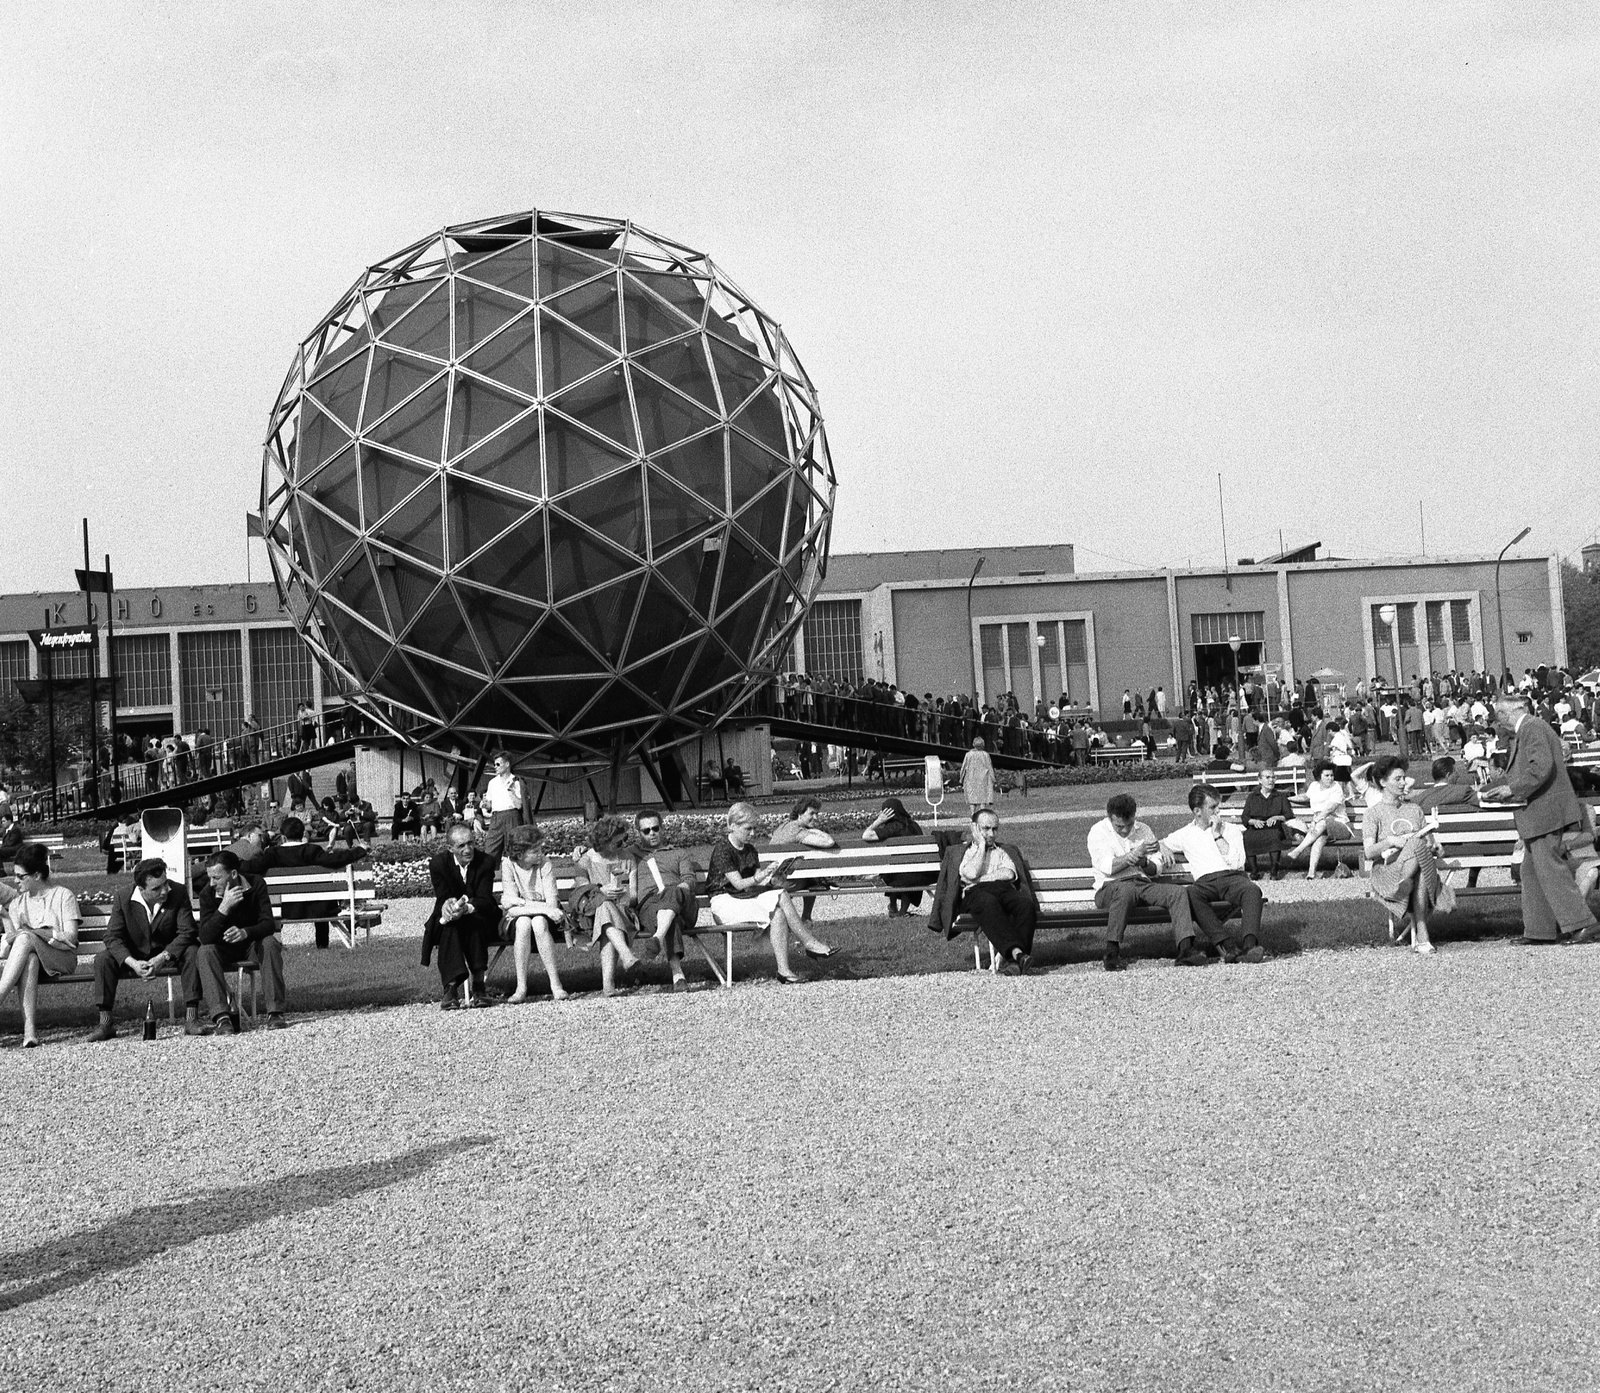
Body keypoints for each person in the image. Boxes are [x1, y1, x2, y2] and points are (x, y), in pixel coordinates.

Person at [1483, 694, 1600, 945]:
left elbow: (1540, 768)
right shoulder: (1527, 730)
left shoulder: (1532, 727)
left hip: (1546, 812)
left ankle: (1583, 924)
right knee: (1532, 871)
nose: (1499, 720)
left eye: (1500, 714)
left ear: (1515, 711)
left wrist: (1511, 790)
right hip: (1539, 813)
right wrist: (1497, 790)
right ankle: (1539, 931)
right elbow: (1532, 770)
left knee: (1550, 871)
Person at [705, 803, 832, 984]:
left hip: (744, 898)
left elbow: (755, 886)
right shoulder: (723, 849)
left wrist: (774, 879)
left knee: (779, 908)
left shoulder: (750, 850)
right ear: (732, 826)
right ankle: (809, 943)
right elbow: (739, 884)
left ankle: (784, 970)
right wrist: (762, 876)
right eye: (748, 829)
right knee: (779, 897)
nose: (753, 834)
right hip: (723, 902)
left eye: (754, 829)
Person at [1087, 793, 1209, 971]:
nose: (1125, 830)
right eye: (1119, 826)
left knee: (1178, 892)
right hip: (1110, 887)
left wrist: (1144, 862)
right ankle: (1111, 952)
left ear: (1134, 816)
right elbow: (1107, 867)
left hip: (1142, 883)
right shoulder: (1098, 832)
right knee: (1125, 890)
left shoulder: (1143, 829)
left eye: (1129, 825)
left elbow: (1156, 869)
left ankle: (1185, 950)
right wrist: (1133, 855)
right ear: (1110, 818)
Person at [88, 857, 201, 1040]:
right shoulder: (123, 897)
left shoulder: (178, 892)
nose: (164, 891)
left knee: (192, 951)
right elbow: (112, 937)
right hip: (135, 954)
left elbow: (187, 932)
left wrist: (163, 958)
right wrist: (132, 962)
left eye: (165, 884)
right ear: (141, 890)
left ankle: (192, 1019)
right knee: (103, 959)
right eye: (156, 889)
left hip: (168, 951)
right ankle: (105, 1023)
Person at [1161, 786, 1267, 963]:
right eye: (1212, 807)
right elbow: (1160, 843)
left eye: (1218, 806)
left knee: (1252, 890)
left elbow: (1237, 863)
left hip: (1233, 877)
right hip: (1205, 883)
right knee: (1191, 894)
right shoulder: (1185, 834)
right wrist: (1163, 847)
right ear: (1197, 811)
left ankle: (1250, 946)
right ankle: (1228, 946)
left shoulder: (1231, 830)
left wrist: (1217, 835)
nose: (1218, 811)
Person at [928, 809, 1039, 976]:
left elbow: (1009, 873)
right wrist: (980, 846)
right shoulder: (964, 852)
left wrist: (981, 878)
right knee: (988, 903)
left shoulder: (1003, 851)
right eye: (986, 829)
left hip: (1002, 889)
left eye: (995, 829)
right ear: (975, 828)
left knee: (1025, 905)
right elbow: (970, 873)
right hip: (975, 894)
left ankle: (1015, 961)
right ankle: (1018, 954)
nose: (991, 834)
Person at [1363, 755, 1453, 954]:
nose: (1404, 782)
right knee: (1416, 849)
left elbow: (1431, 845)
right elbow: (1369, 852)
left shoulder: (1414, 809)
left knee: (1418, 853)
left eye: (1404, 777)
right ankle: (1422, 936)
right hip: (1388, 872)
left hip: (1414, 872)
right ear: (1382, 782)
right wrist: (1390, 841)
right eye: (1398, 779)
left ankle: (1406, 882)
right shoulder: (1373, 813)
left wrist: (1437, 849)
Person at [241, 815, 368, 950]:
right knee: (321, 896)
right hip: (317, 909)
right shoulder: (312, 850)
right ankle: (322, 945)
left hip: (283, 909)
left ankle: (277, 943)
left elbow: (250, 867)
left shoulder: (272, 854)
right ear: (303, 835)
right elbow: (335, 860)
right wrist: (360, 850)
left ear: (283, 837)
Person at [0, 843, 81, 1047]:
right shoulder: (18, 904)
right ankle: (29, 1033)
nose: (15, 881)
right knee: (30, 958)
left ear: (36, 875)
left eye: (21, 876)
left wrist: (38, 934)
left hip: (62, 957)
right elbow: (13, 947)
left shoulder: (63, 896)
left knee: (27, 938)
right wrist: (11, 930)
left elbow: (71, 939)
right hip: (34, 960)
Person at [194, 850, 284, 1033]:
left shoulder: (256, 884)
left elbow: (268, 924)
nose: (212, 883)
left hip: (251, 944)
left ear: (233, 874)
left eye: (216, 878)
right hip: (223, 948)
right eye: (209, 877)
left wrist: (246, 932)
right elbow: (205, 937)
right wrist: (223, 908)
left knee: (270, 943)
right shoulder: (207, 894)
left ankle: (275, 1012)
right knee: (204, 952)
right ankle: (221, 1017)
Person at [422, 822, 499, 1008]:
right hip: (451, 916)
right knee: (450, 926)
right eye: (461, 845)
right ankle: (451, 988)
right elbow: (442, 896)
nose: (468, 849)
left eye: (471, 843)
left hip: (480, 913)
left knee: (474, 923)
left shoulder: (485, 862)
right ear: (450, 848)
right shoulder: (439, 864)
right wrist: (447, 906)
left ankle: (479, 986)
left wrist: (466, 908)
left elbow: (485, 899)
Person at [571, 817, 647, 997]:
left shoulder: (628, 858)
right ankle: (626, 956)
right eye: (618, 842)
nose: (624, 845)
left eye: (625, 839)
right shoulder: (585, 860)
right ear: (603, 843)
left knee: (607, 919)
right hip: (591, 915)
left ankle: (608, 984)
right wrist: (601, 890)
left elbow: (634, 896)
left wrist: (624, 894)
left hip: (623, 912)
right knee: (603, 906)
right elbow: (582, 892)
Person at [630, 812, 698, 991]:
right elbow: (605, 848)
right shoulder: (632, 854)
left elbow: (690, 880)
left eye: (655, 828)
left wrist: (675, 891)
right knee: (670, 918)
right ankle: (678, 976)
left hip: (681, 901)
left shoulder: (677, 853)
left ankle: (657, 938)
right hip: (650, 906)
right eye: (646, 830)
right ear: (639, 833)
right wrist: (582, 849)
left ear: (662, 828)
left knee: (672, 893)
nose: (652, 833)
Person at [498, 826, 568, 1002]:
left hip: (545, 920)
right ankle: (521, 987)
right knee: (522, 923)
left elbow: (552, 903)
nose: (540, 853)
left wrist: (519, 902)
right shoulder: (508, 864)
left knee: (538, 922)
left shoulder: (545, 864)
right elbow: (511, 909)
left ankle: (556, 985)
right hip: (520, 919)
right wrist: (537, 907)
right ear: (520, 854)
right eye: (534, 851)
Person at [769, 795, 836, 922]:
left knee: (810, 873)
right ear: (800, 813)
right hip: (784, 882)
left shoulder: (783, 826)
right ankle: (806, 917)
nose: (815, 817)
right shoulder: (797, 831)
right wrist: (815, 830)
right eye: (812, 813)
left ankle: (805, 917)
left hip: (772, 878)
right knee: (813, 878)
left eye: (817, 814)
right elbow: (829, 842)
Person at [862, 796, 932, 915]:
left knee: (893, 871)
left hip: (898, 875)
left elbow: (866, 835)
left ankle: (893, 906)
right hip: (920, 873)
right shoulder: (914, 826)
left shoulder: (892, 827)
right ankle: (903, 910)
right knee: (905, 871)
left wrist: (878, 821)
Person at [1288, 762, 1356, 879]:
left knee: (1324, 822)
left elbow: (1330, 809)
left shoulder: (1336, 788)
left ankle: (1299, 850)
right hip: (1321, 828)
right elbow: (1306, 797)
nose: (1330, 778)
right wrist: (1289, 798)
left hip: (1341, 826)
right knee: (1320, 839)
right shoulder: (1314, 786)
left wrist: (1316, 820)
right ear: (1320, 776)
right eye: (1327, 775)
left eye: (1332, 775)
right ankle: (1311, 873)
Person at [1240, 768, 1296, 879]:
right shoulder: (1252, 797)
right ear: (1260, 780)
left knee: (1274, 836)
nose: (1271, 780)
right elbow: (1245, 817)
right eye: (1267, 777)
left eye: (1273, 777)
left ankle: (1274, 871)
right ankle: (1254, 870)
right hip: (1256, 826)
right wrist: (1253, 821)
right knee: (1247, 837)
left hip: (1274, 827)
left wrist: (1276, 817)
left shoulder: (1280, 796)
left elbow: (1289, 814)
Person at [480, 753, 525, 862]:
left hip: (512, 816)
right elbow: (490, 805)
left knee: (515, 850)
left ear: (507, 764)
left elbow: (519, 805)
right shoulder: (492, 783)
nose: (495, 767)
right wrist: (485, 805)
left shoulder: (516, 781)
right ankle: (489, 877)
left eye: (498, 764)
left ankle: (516, 876)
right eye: (494, 764)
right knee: (490, 850)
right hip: (496, 818)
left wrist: (511, 792)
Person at [1414, 757, 1479, 812]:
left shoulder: (1420, 799)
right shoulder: (1463, 792)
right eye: (1455, 772)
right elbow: (1483, 799)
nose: (1458, 775)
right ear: (1448, 775)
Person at [960, 737, 996, 812]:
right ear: (983, 745)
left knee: (972, 798)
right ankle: (981, 813)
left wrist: (961, 778)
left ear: (973, 744)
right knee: (982, 797)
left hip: (971, 778)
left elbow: (963, 767)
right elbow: (989, 767)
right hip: (983, 778)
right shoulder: (985, 755)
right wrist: (993, 778)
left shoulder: (968, 755)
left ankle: (973, 813)